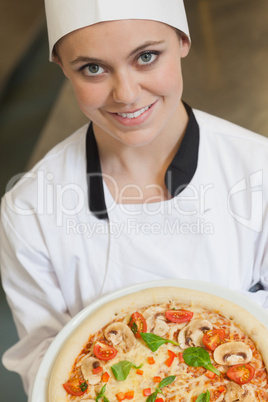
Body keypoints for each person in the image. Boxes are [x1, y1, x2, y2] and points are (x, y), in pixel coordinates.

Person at [1, 0, 268, 399]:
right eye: (92, 68)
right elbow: (45, 360)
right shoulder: (30, 210)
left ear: (182, 41)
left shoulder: (258, 172)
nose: (126, 94)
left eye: (146, 57)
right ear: (60, 64)